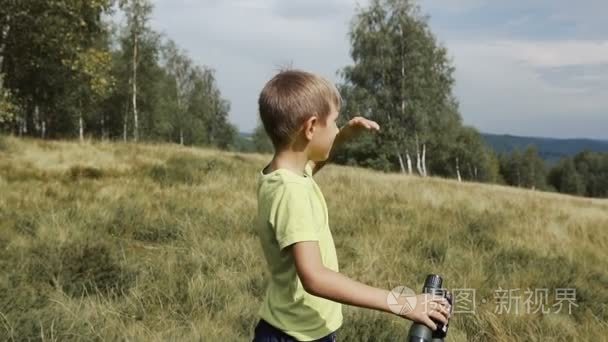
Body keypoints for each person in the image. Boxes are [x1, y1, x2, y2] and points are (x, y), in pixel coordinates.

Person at [253, 70, 450, 341]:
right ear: (310, 127)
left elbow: (311, 163)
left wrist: (343, 136)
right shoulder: (290, 194)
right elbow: (315, 277)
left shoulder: (284, 173)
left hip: (298, 326)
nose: (336, 128)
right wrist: (402, 303)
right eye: (334, 122)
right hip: (295, 335)